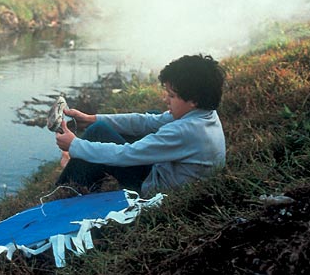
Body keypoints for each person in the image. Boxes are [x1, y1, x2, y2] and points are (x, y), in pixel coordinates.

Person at [55, 54, 226, 197]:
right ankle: (81, 164)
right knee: (152, 117)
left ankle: (66, 190)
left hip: (155, 191)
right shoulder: (204, 113)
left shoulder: (185, 131)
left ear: (193, 100)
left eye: (172, 96)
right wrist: (93, 118)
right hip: (171, 172)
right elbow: (147, 122)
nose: (166, 99)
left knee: (98, 133)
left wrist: (74, 145)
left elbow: (126, 155)